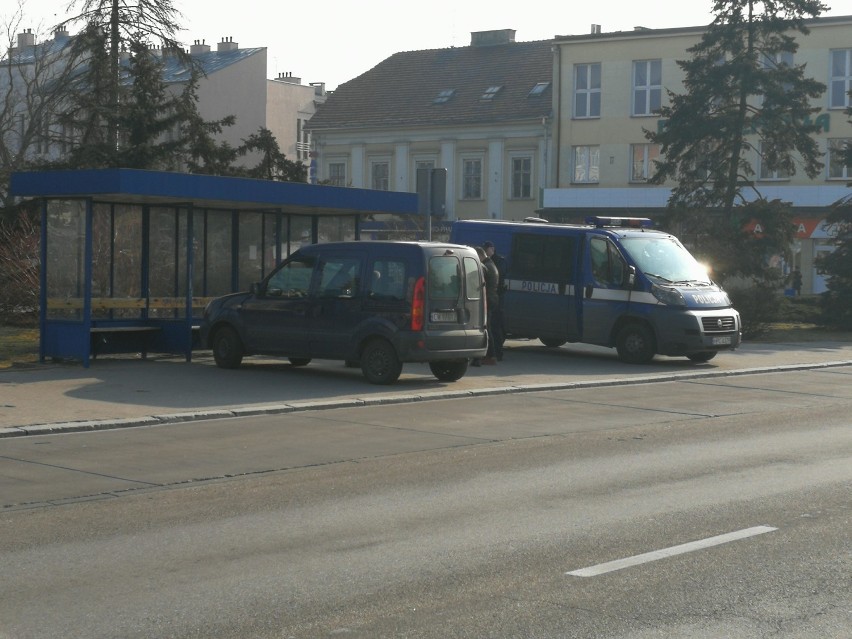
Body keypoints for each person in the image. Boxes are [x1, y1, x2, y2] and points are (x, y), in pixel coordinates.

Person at [474, 245, 499, 366]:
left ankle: (489, 355)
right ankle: (491, 356)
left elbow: (477, 283)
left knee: (486, 329)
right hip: (493, 298)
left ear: (479, 255)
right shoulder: (492, 264)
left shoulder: (484, 266)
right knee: (489, 328)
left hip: (487, 299)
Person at [482, 241, 506, 360]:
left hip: (496, 297)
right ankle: (495, 352)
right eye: (485, 249)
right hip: (494, 297)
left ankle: (497, 352)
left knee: (495, 327)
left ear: (492, 249)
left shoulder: (497, 262)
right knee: (493, 326)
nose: (486, 251)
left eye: (488, 249)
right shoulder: (489, 262)